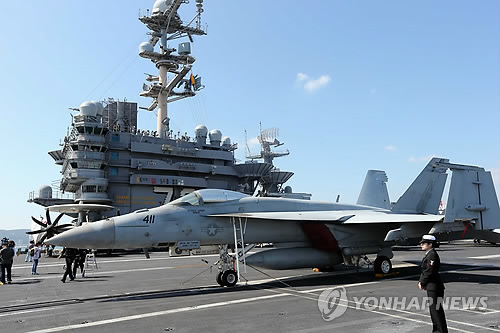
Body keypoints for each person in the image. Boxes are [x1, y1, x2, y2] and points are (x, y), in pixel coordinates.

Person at [418, 235, 448, 333]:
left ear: (430, 244)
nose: (421, 245)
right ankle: (437, 330)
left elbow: (429, 271)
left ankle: (441, 331)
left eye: (423, 243)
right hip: (432, 286)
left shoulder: (432, 255)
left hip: (434, 286)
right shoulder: (429, 254)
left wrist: (422, 282)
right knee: (434, 311)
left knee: (436, 311)